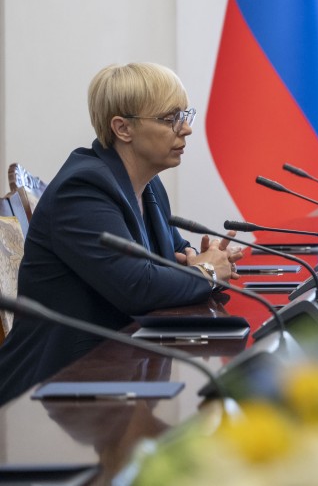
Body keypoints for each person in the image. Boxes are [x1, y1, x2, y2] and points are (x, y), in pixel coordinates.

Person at [0, 62, 243, 404]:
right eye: (170, 118)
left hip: (115, 370)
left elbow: (175, 255)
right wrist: (205, 271)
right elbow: (138, 287)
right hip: (51, 391)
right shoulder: (83, 189)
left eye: (185, 114)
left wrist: (200, 261)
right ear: (123, 128)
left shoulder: (149, 185)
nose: (186, 129)